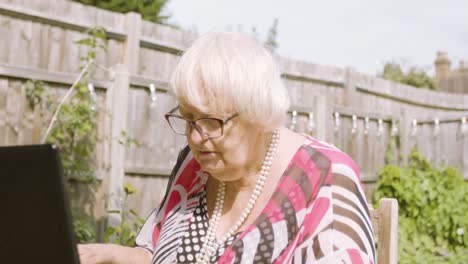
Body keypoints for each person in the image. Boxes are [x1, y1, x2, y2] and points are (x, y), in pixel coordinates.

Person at [79, 31, 375, 264]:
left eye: (211, 121)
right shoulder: (195, 165)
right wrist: (116, 256)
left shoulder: (325, 176)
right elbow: (157, 253)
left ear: (257, 113)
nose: (195, 137)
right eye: (189, 118)